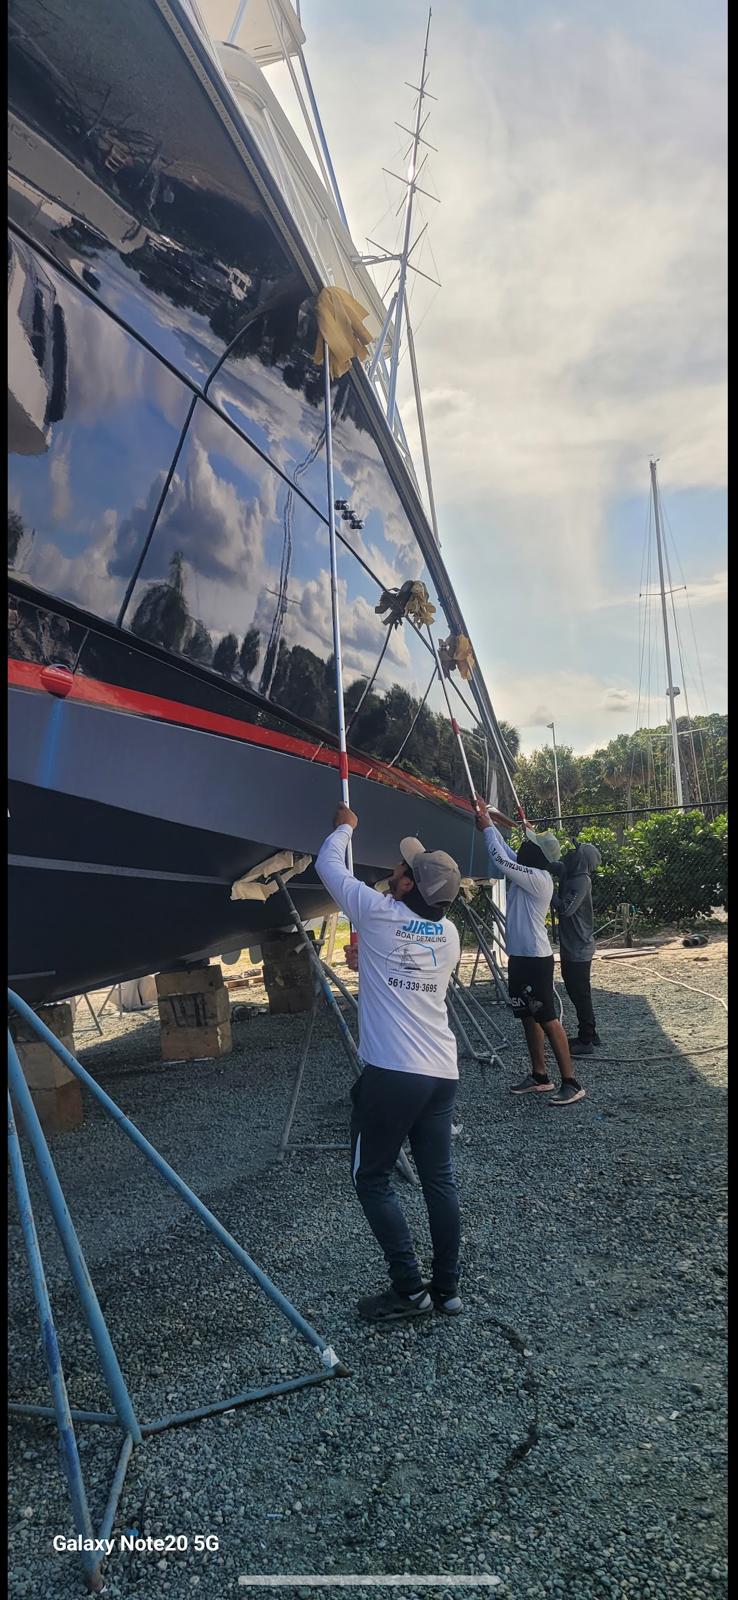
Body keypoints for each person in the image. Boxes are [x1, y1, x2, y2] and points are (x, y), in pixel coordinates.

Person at [315, 803, 464, 1324]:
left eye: (403, 870)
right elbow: (410, 963)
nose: (395, 870)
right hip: (441, 1073)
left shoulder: (379, 914)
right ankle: (446, 1290)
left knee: (371, 1177)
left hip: (394, 1076)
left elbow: (327, 865)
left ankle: (409, 1289)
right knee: (438, 1181)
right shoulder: (449, 935)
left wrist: (345, 826)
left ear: (407, 887)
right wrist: (370, 960)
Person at [474, 800, 586, 1106]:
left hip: (535, 959)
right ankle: (540, 1076)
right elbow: (507, 853)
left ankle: (571, 1082)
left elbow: (501, 859)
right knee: (527, 1015)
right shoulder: (528, 870)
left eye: (530, 844)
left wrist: (488, 828)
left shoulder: (537, 879)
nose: (524, 846)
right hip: (521, 957)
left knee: (547, 1017)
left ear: (537, 856)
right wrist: (487, 823)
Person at [554, 842, 602, 1056]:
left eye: (575, 852)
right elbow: (554, 865)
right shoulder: (570, 874)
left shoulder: (581, 881)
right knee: (576, 989)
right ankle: (591, 1033)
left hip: (578, 947)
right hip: (573, 945)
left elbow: (566, 909)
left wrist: (547, 892)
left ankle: (586, 1038)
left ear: (582, 859)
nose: (570, 854)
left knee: (579, 992)